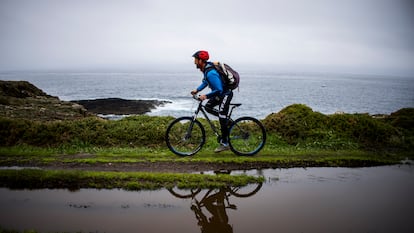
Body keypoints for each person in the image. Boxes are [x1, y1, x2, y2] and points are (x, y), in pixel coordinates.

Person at [191, 50, 233, 153]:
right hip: (220, 95)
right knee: (208, 107)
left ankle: (225, 143)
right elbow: (206, 81)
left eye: (195, 60)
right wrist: (197, 90)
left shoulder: (210, 72)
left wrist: (205, 96)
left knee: (222, 117)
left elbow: (219, 89)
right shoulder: (207, 69)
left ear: (201, 60)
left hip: (225, 95)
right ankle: (228, 122)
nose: (194, 62)